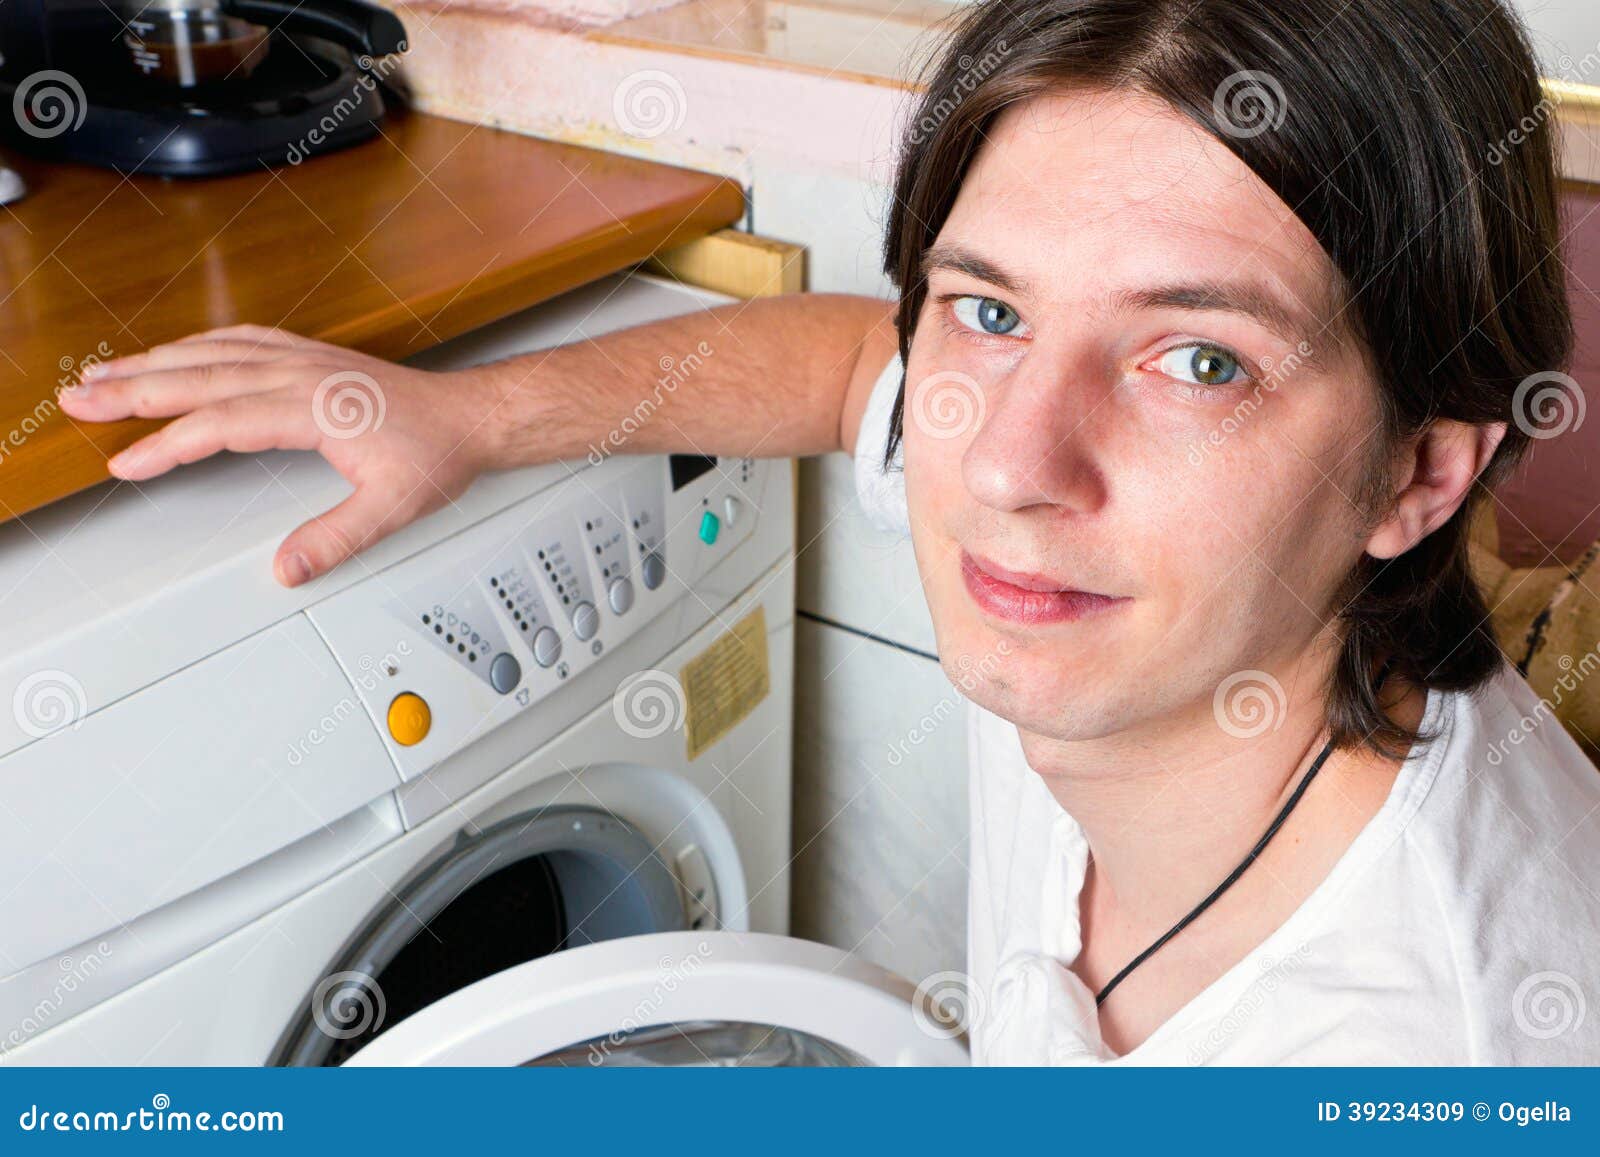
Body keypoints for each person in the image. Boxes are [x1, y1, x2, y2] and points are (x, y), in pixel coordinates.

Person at [61, 0, 1600, 1064]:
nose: (1006, 463)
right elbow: (864, 359)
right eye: (993, 309)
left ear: (1420, 472)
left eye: (1199, 361)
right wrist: (466, 418)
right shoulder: (1118, 594)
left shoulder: (1440, 1041)